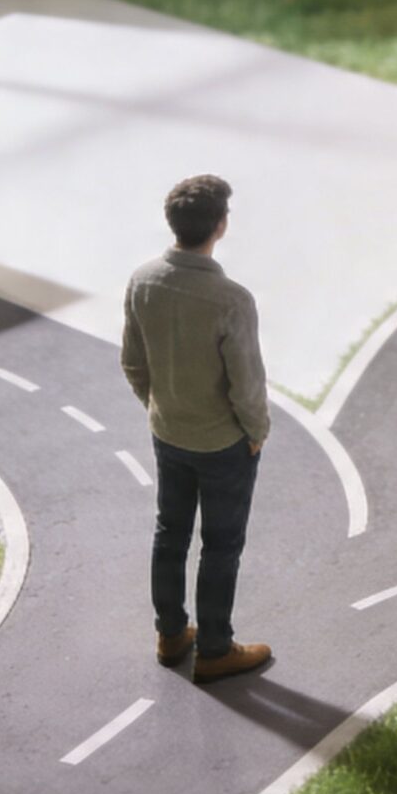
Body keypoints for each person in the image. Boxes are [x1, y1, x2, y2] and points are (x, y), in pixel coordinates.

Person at [121, 175, 274, 684]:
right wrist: (256, 431)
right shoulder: (230, 299)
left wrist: (159, 406)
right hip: (222, 443)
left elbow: (133, 362)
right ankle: (214, 648)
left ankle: (170, 634)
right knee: (221, 544)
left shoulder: (143, 280)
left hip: (168, 433)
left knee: (170, 533)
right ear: (221, 226)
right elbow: (245, 384)